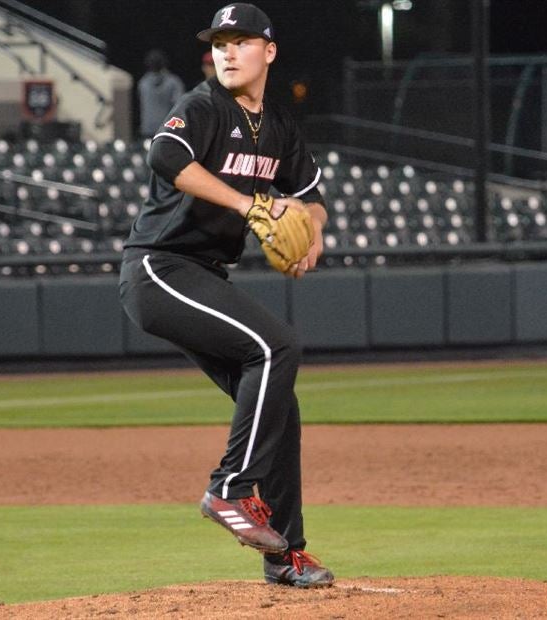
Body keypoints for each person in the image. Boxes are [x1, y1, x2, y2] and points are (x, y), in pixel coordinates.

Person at [118, 3, 333, 589]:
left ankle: (285, 555)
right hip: (159, 268)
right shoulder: (203, 105)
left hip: (205, 276)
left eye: (240, 42)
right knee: (277, 347)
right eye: (219, 43)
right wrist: (247, 204)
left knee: (280, 408)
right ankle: (230, 489)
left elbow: (313, 194)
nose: (227, 52)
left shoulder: (281, 127)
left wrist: (311, 225)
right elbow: (164, 157)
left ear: (269, 52)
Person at [137, 49, 186, 138]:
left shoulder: (143, 82)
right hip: (168, 130)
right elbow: (180, 107)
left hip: (147, 130)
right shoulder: (174, 82)